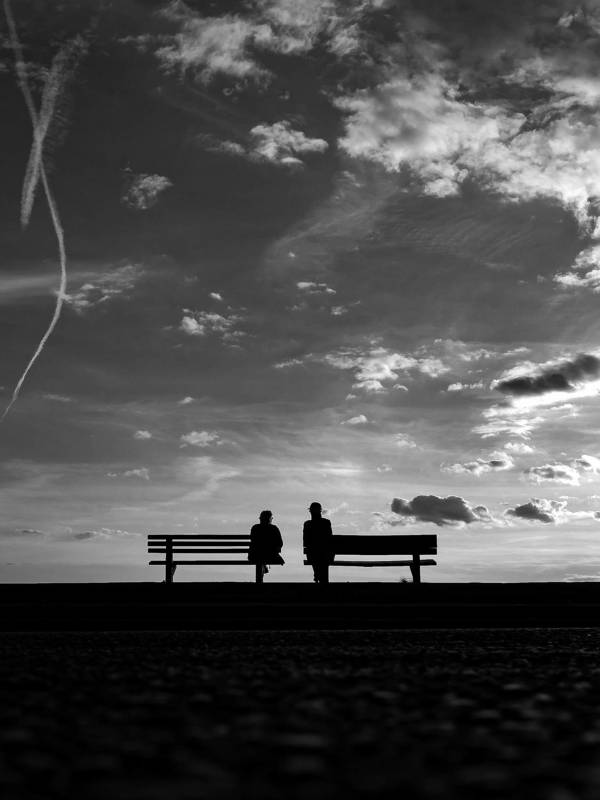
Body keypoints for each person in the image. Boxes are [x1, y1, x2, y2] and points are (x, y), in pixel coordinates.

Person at [303, 501, 334, 583]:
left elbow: (305, 542)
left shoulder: (307, 524)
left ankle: (317, 574)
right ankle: (319, 576)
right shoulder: (326, 522)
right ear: (320, 511)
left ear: (310, 511)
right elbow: (330, 539)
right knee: (323, 554)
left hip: (313, 554)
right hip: (326, 555)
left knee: (314, 553)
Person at [248, 510, 284, 576]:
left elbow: (253, 542)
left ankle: (264, 566)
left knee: (260, 554)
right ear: (269, 519)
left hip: (254, 556)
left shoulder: (255, 528)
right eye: (271, 518)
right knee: (264, 555)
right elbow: (280, 543)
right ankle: (263, 566)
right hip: (270, 556)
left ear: (260, 518)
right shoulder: (274, 528)